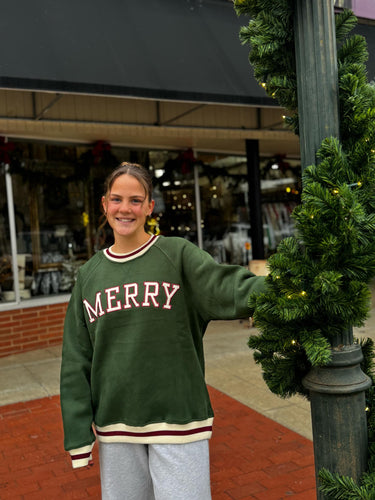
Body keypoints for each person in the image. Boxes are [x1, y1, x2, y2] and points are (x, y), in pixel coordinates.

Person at [60, 162, 266, 500]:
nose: (125, 208)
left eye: (135, 200)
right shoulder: (89, 276)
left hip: (179, 419)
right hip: (116, 424)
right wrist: (78, 433)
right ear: (103, 204)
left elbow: (227, 287)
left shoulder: (176, 254)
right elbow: (76, 357)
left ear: (150, 207)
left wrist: (292, 287)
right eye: (116, 199)